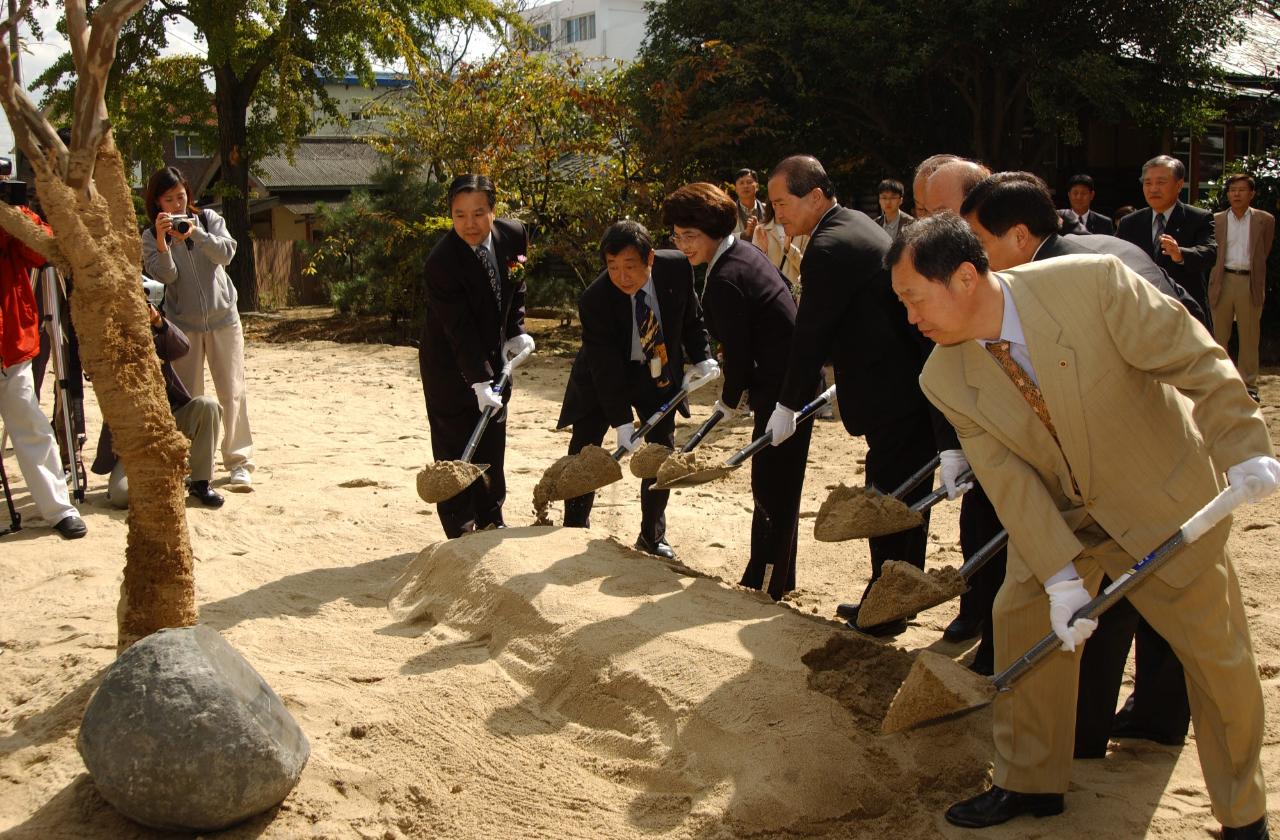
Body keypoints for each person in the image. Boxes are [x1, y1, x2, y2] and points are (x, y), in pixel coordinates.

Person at [890, 213, 1276, 839]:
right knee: (1023, 615)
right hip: (1065, 511)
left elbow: (1195, 357)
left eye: (913, 298)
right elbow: (1008, 481)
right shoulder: (943, 374)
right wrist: (1062, 576)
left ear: (964, 277)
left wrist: (1241, 445)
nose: (911, 318)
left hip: (1158, 494)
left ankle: (1243, 812)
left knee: (1216, 657)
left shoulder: (1092, 285)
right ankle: (1029, 781)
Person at [958, 170, 1202, 758]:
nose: (978, 263)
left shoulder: (1060, 282)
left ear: (1018, 236)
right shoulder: (1095, 247)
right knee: (1165, 579)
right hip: (1172, 426)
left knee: (1109, 589)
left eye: (980, 245)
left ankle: (1083, 730)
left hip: (1149, 436)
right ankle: (1160, 716)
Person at [766, 154, 959, 635]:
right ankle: (895, 596)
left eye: (781, 203)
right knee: (906, 499)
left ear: (814, 195)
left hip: (894, 391)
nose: (776, 214)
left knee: (889, 499)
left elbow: (809, 333)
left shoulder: (829, 246)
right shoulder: (850, 224)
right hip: (907, 384)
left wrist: (787, 403)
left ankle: (887, 605)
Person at [663, 182, 812, 598]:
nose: (683, 245)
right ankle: (771, 572)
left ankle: (769, 580)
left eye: (690, 236)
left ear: (713, 230)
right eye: (677, 236)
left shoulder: (727, 276)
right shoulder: (743, 252)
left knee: (773, 484)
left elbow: (740, 352)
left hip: (785, 388)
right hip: (784, 381)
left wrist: (729, 400)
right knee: (775, 480)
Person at [556, 221, 716, 559]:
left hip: (655, 369)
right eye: (612, 267)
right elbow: (604, 367)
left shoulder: (677, 269)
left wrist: (703, 358)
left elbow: (692, 319)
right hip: (603, 375)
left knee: (660, 451)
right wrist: (622, 422)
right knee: (586, 448)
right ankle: (573, 525)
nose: (621, 276)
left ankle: (652, 536)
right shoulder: (594, 300)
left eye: (630, 266)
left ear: (651, 259)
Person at [915, 155, 1008, 668]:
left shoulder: (1012, 256)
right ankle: (976, 612)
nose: (932, 224)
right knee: (977, 524)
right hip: (974, 426)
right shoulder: (933, 261)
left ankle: (998, 641)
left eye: (943, 211)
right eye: (924, 211)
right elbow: (939, 364)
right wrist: (950, 447)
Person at [419, 174, 533, 538]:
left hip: (495, 356)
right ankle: (460, 526)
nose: (470, 224)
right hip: (449, 364)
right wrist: (479, 381)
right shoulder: (442, 262)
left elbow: (517, 286)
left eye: (479, 214)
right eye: (459, 215)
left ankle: (491, 516)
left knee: (492, 440)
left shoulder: (514, 235)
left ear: (493, 211)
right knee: (456, 443)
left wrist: (516, 330)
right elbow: (459, 329)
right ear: (450, 215)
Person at [142, 166, 254, 492]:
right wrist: (165, 242)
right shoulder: (150, 236)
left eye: (181, 196)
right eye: (169, 199)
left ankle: (239, 462)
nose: (178, 205)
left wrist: (196, 234)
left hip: (224, 320)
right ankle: (194, 466)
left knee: (232, 393)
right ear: (157, 203)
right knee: (190, 399)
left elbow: (228, 253)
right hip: (183, 328)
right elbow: (166, 277)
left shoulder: (207, 219)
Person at [0, 203, 86, 538]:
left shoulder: (13, 213)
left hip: (11, 343)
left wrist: (12, 218)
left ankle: (59, 509)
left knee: (31, 427)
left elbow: (43, 250)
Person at [92, 301, 224, 509]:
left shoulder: (155, 338)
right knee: (120, 496)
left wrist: (158, 322)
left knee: (208, 405)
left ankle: (200, 482)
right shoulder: (111, 348)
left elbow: (183, 347)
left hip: (170, 420)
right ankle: (163, 476)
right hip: (134, 439)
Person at [1116, 155, 1217, 324]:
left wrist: (1180, 254)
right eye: (1148, 183)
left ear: (1178, 185)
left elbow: (1210, 253)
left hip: (1184, 309)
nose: (1153, 189)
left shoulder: (1199, 218)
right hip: (1141, 310)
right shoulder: (1130, 222)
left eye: (1161, 182)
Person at [1209, 173, 1276, 402]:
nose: (1236, 194)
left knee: (1249, 335)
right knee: (1219, 334)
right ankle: (1219, 381)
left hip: (1249, 280)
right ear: (1227, 194)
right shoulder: (1215, 219)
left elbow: (1263, 251)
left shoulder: (1265, 220)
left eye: (1241, 190)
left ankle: (1249, 385)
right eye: (1232, 190)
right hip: (1223, 279)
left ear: (1252, 194)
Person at [750, 200, 806, 284]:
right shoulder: (760, 230)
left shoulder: (803, 230)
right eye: (775, 203)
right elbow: (754, 269)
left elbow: (807, 267)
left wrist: (790, 249)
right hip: (771, 291)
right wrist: (763, 253)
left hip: (795, 294)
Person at [732, 168, 767, 241]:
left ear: (757, 187)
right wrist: (744, 235)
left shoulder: (768, 209)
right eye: (741, 183)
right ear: (736, 189)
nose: (745, 186)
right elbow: (723, 239)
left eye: (749, 182)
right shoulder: (729, 212)